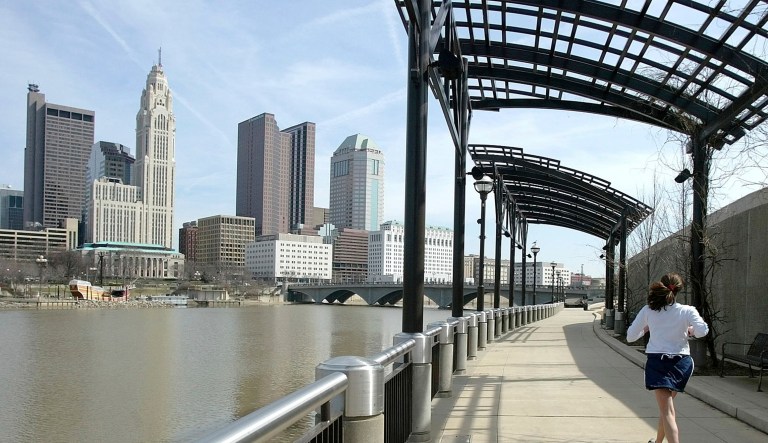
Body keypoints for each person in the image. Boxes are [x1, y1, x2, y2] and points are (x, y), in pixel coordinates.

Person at [626, 273, 709, 443]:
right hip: (682, 364)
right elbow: (703, 331)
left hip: (659, 363)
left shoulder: (649, 310)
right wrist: (691, 331)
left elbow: (630, 337)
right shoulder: (687, 310)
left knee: (667, 412)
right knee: (666, 408)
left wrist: (646, 329)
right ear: (678, 289)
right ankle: (657, 442)